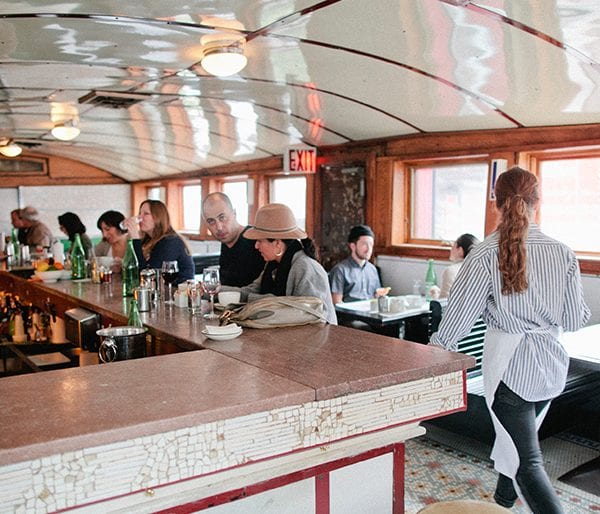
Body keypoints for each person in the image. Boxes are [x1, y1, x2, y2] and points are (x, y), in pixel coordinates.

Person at [430, 167, 590, 514]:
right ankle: (502, 504)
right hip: (550, 368)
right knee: (514, 444)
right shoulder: (563, 252)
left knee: (525, 462)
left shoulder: (485, 253)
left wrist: (431, 352)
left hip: (509, 368)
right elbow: (575, 320)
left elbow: (458, 320)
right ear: (537, 201)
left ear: (497, 203)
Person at [237, 203, 337, 324]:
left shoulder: (306, 268)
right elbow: (252, 290)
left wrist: (256, 300)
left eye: (259, 241)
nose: (256, 246)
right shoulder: (273, 264)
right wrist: (218, 291)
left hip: (317, 334)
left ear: (277, 243)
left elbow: (311, 315)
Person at [122, 199, 194, 285]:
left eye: (146, 214)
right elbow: (137, 269)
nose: (140, 218)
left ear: (158, 217)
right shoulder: (147, 240)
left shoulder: (170, 241)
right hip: (159, 290)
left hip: (178, 290)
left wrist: (135, 238)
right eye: (140, 213)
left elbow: (150, 276)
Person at [201, 192, 264, 287]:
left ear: (234, 213)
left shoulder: (256, 240)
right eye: (211, 221)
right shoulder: (226, 241)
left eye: (222, 218)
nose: (219, 227)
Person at [328, 224, 382, 304]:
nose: (369, 249)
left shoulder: (373, 269)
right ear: (353, 246)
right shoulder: (340, 270)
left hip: (371, 310)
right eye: (364, 244)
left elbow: (377, 296)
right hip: (349, 311)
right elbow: (336, 302)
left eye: (371, 244)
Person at [439, 233, 479, 298]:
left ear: (460, 250)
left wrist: (435, 297)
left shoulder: (451, 271)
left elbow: (444, 301)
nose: (451, 249)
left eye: (453, 246)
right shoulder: (480, 269)